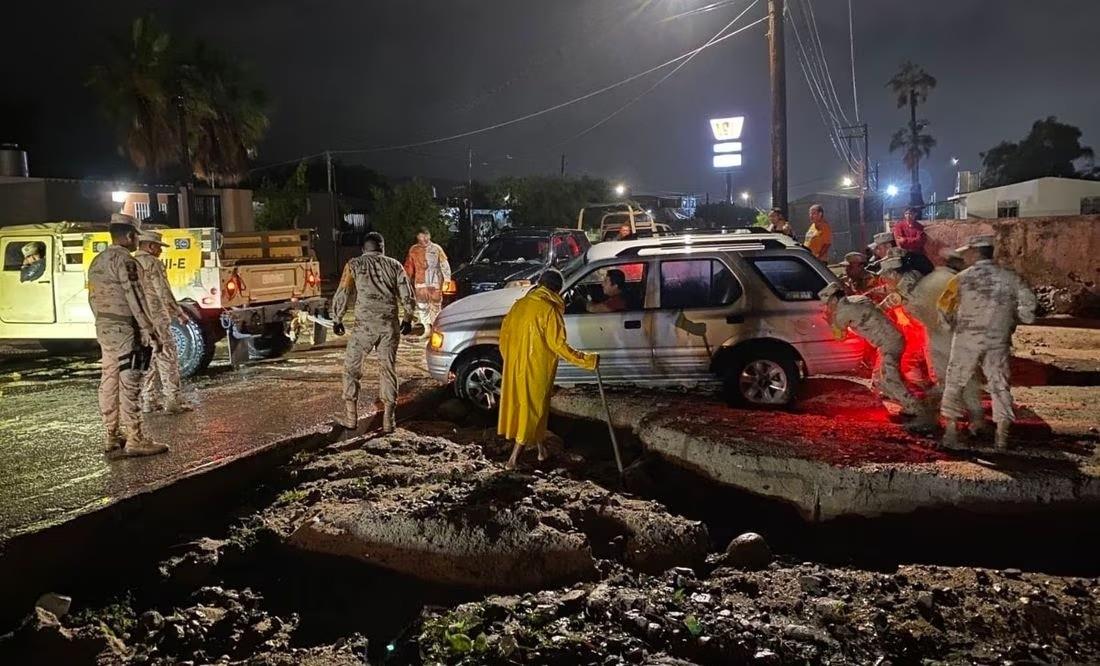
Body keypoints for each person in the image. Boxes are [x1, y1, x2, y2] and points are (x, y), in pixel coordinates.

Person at [938, 235, 1037, 450]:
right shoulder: (1010, 277)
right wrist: (1017, 318)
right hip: (997, 340)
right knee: (999, 384)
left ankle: (951, 432)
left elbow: (943, 306)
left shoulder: (961, 278)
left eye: (968, 253)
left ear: (975, 252)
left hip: (967, 339)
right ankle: (1001, 437)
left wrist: (950, 326)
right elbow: (1029, 303)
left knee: (955, 382)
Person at [499, 269, 599, 469]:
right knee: (532, 410)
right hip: (537, 368)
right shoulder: (548, 310)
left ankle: (541, 451)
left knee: (531, 407)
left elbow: (504, 337)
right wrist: (587, 360)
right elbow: (559, 346)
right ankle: (513, 460)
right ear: (557, 290)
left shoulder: (519, 305)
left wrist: (510, 359)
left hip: (515, 365)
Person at [86, 214, 167, 457]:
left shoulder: (97, 262)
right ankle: (135, 438)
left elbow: (92, 297)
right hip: (126, 330)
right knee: (131, 382)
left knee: (109, 380)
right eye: (136, 237)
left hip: (105, 328)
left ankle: (112, 434)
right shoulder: (126, 261)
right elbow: (137, 298)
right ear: (130, 236)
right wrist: (151, 331)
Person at [332, 231, 417, 433]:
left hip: (364, 328)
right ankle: (389, 420)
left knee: (352, 370)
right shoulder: (395, 265)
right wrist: (407, 318)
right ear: (382, 248)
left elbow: (343, 292)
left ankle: (351, 417)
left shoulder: (354, 265)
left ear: (363, 249)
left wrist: (337, 318)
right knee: (387, 370)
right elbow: (407, 293)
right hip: (389, 325)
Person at [820, 282, 931, 429]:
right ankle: (909, 403)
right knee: (880, 380)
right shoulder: (857, 298)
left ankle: (917, 411)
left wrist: (829, 320)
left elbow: (840, 336)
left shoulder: (842, 312)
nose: (827, 307)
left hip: (889, 343)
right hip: (893, 338)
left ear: (833, 300)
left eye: (827, 304)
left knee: (890, 379)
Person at [907, 250, 983, 426]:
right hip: (957, 339)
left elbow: (913, 308)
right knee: (968, 379)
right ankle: (976, 420)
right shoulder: (960, 281)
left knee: (944, 381)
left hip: (936, 339)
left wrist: (932, 324)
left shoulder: (930, 280)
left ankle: (933, 418)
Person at [134, 230, 192, 414]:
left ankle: (147, 399)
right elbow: (163, 291)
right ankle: (173, 400)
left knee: (148, 358)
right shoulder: (153, 263)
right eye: (159, 247)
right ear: (151, 246)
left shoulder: (131, 263)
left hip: (140, 318)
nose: (160, 251)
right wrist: (179, 312)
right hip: (157, 316)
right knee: (167, 356)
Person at [403, 228, 451, 341]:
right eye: (421, 236)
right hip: (420, 283)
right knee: (422, 306)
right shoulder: (413, 250)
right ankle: (427, 330)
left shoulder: (437, 248)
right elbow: (409, 266)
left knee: (435, 306)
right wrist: (406, 280)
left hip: (435, 283)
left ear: (429, 236)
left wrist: (447, 279)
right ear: (417, 237)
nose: (423, 239)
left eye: (425, 236)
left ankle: (437, 329)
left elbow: (444, 264)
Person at [869, 231, 933, 276]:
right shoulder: (909, 256)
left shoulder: (904, 260)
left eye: (878, 248)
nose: (876, 252)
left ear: (888, 246)